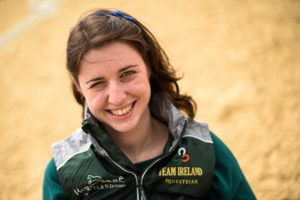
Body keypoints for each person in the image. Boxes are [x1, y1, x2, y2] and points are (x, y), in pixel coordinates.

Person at [42, 9, 256, 200]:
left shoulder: (205, 150)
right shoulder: (63, 172)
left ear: (149, 67)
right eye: (97, 83)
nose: (116, 97)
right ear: (78, 86)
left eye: (128, 74)